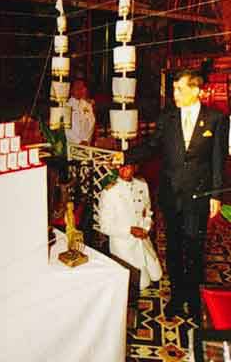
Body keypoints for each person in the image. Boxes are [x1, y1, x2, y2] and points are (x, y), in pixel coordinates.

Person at [125, 69, 229, 320]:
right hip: (171, 194)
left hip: (198, 195)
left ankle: (193, 299)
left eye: (180, 89)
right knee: (172, 248)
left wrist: (216, 195)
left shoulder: (215, 119)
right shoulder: (167, 118)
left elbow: (218, 160)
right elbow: (152, 146)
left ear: (196, 90)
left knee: (194, 248)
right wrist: (125, 156)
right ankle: (177, 296)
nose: (175, 94)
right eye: (173, 89)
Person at [98, 164, 163, 291]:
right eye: (120, 166)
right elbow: (104, 226)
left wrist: (146, 227)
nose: (123, 170)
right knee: (140, 284)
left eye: (127, 166)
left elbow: (147, 211)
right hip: (124, 245)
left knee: (157, 275)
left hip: (143, 241)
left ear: (135, 168)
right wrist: (130, 230)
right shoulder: (110, 192)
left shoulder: (142, 185)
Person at [65, 79, 95, 145]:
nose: (80, 90)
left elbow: (92, 123)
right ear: (71, 90)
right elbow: (66, 128)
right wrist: (78, 141)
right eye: (77, 88)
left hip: (86, 142)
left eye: (82, 88)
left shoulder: (87, 105)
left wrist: (86, 139)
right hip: (72, 143)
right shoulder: (66, 106)